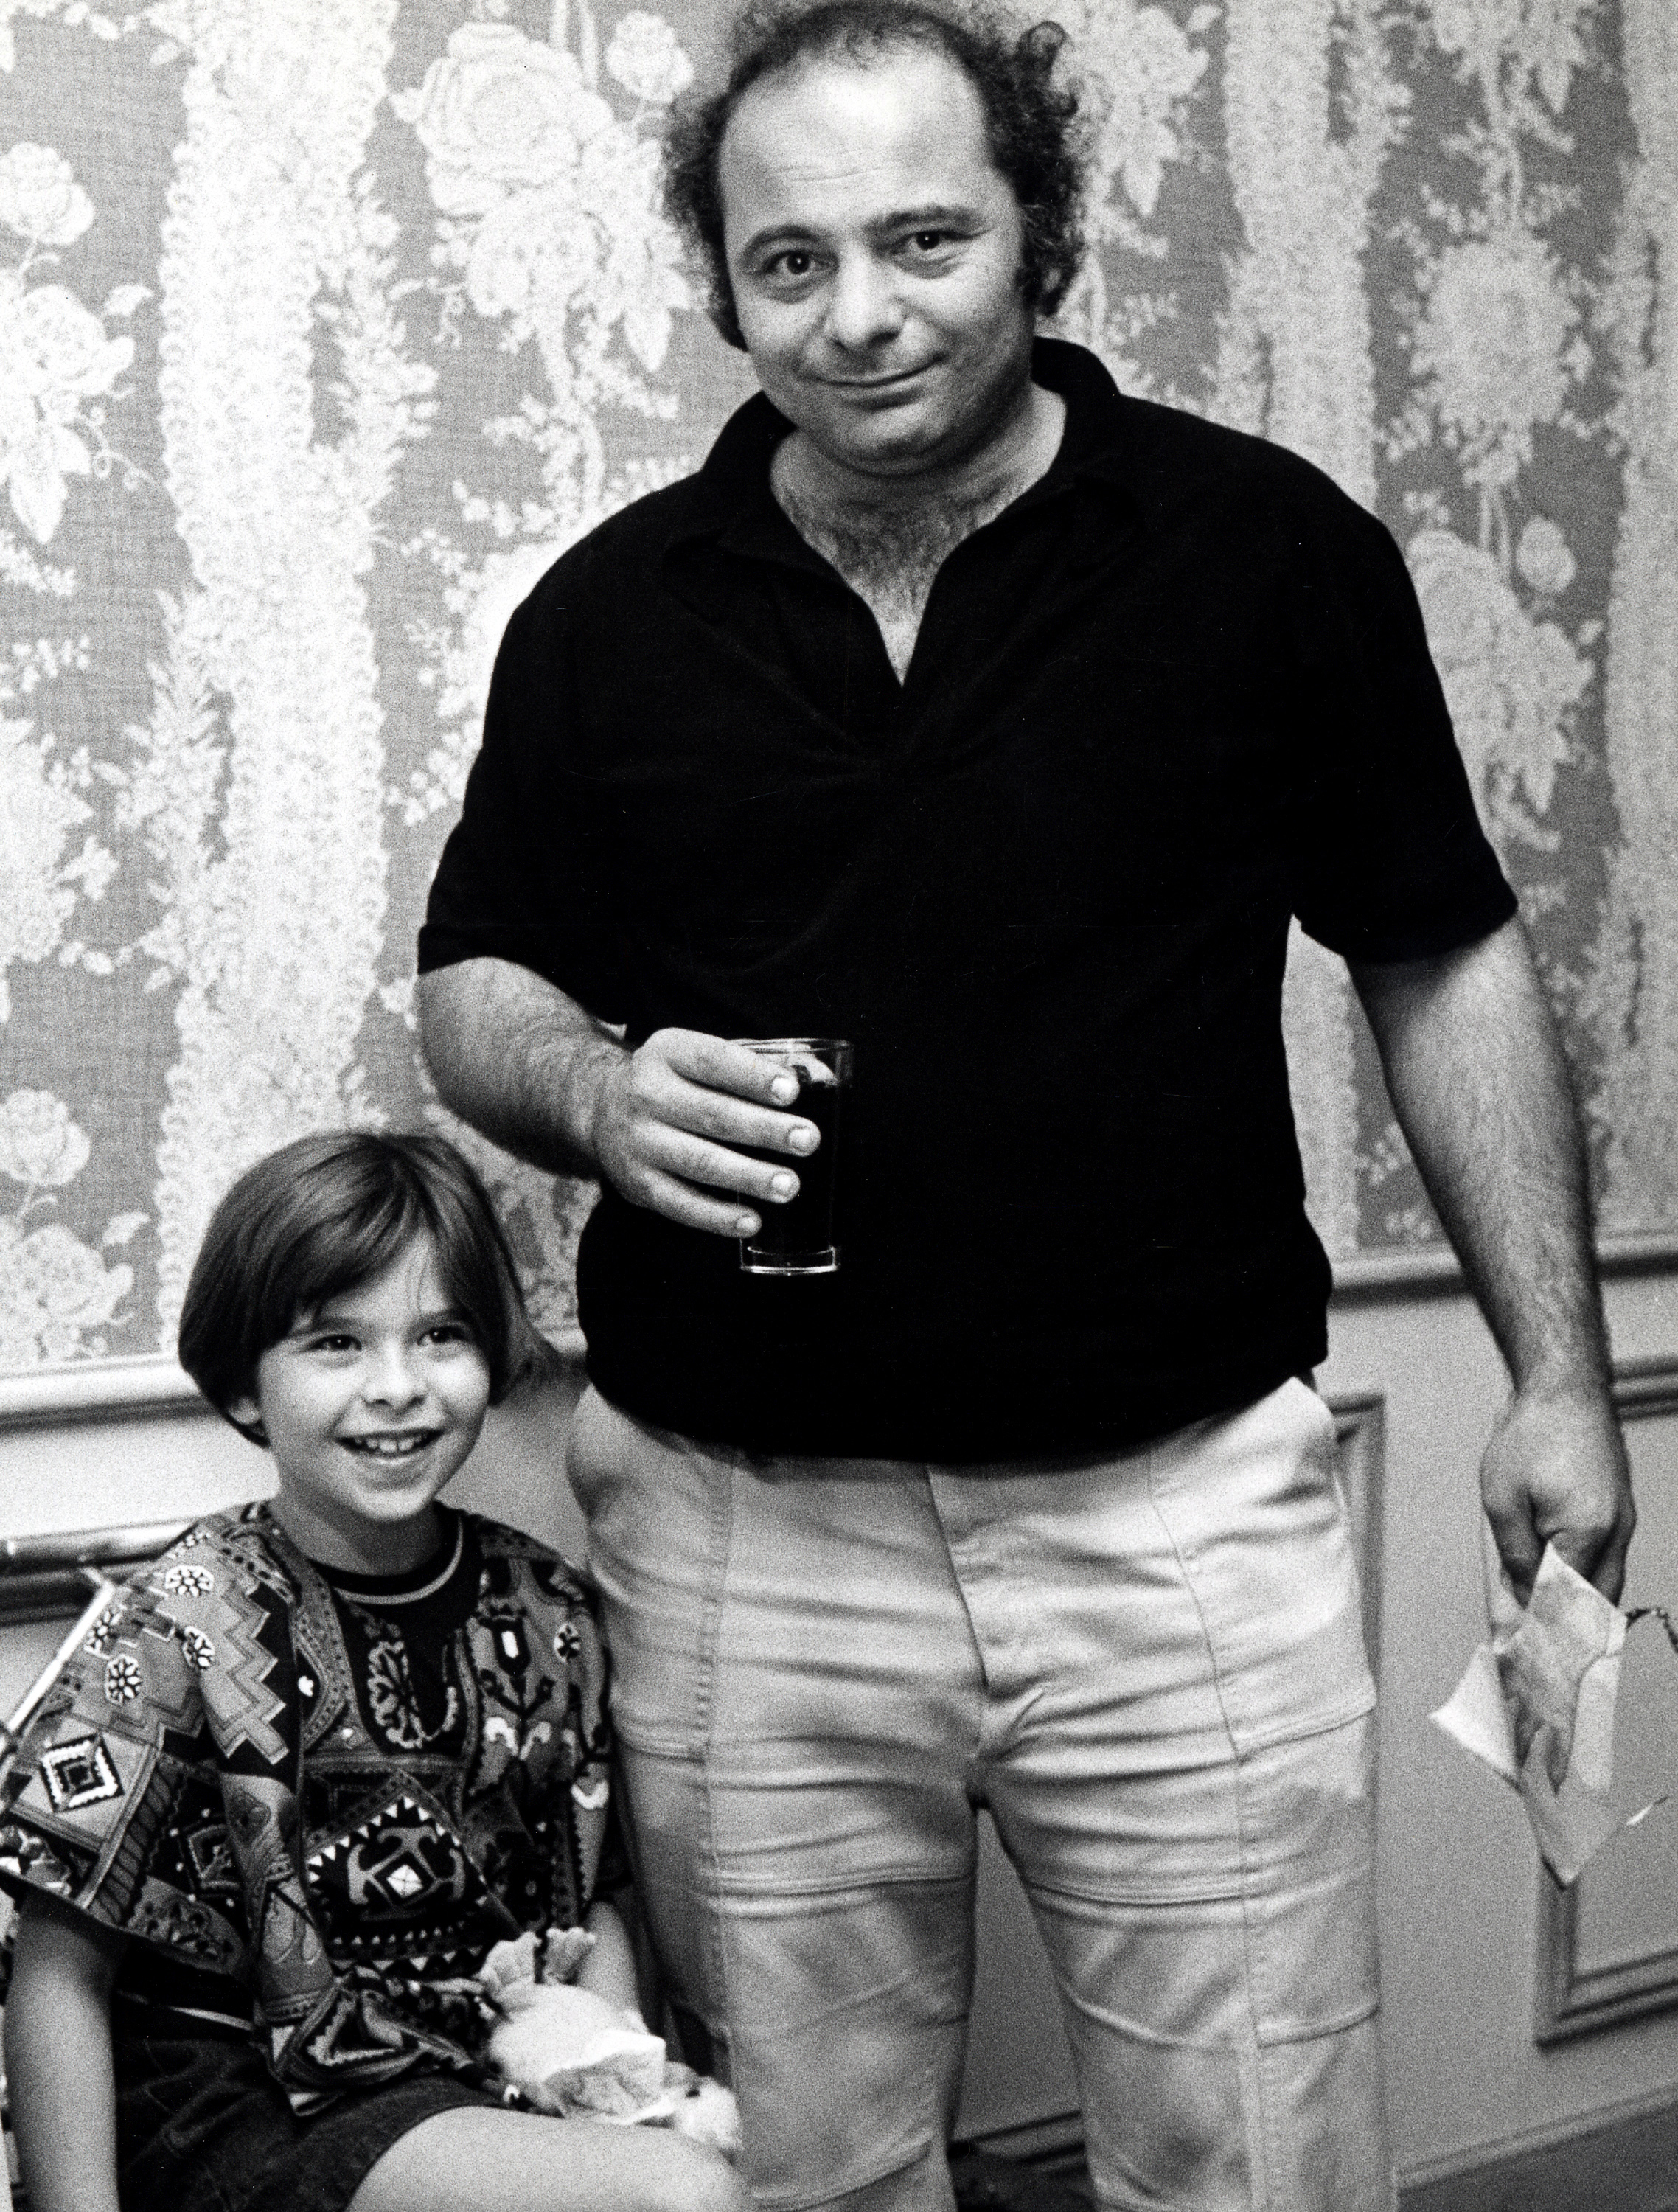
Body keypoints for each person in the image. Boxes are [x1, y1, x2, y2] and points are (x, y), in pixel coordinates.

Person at [414, 3, 1635, 2205]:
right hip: (733, 1534)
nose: (861, 314)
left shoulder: (1263, 555)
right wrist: (593, 1091)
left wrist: (1558, 1373)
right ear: (721, 282)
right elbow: (475, 978)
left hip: (1170, 1519)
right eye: (789, 262)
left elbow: (1438, 948)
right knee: (810, 2172)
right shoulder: (611, 615)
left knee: (1253, 2162)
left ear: (1037, 236)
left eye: (921, 238)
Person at [0, 1131, 746, 2212]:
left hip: (472, 2068)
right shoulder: (181, 1616)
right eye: (336, 1344)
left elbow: (596, 1903)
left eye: (439, 1335)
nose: (396, 1387)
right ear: (247, 1388)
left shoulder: (548, 1608)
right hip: (239, 2094)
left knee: (707, 2167)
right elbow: (58, 1969)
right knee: (680, 2199)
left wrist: (609, 2094)